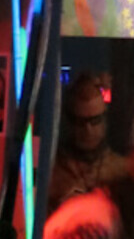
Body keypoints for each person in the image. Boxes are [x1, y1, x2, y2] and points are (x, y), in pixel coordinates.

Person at [48, 73, 124, 212]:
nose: (88, 130)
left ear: (105, 120)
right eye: (80, 122)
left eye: (95, 121)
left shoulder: (120, 171)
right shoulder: (52, 171)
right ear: (70, 122)